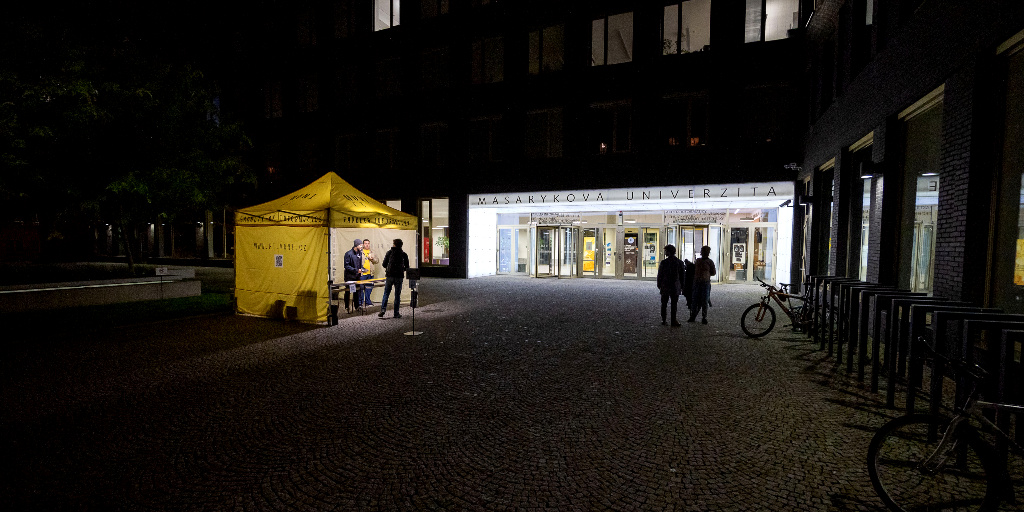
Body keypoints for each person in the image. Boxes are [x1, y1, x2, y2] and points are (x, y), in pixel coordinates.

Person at [378, 238, 410, 319]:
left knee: (386, 293)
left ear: (394, 244)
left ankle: (383, 309)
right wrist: (402, 269)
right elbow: (407, 267)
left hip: (389, 275)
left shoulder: (389, 253)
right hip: (399, 276)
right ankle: (396, 313)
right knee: (397, 295)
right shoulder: (404, 254)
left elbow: (384, 264)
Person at [656, 244, 684, 327]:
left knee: (664, 303)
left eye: (666, 251)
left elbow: (660, 274)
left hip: (665, 285)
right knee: (674, 304)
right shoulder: (679, 262)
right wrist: (682, 286)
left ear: (668, 252)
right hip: (675, 286)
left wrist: (659, 284)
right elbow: (682, 276)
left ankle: (664, 320)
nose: (665, 252)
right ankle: (673, 320)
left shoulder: (664, 262)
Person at [688, 245, 717, 324]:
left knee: (699, 300)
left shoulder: (699, 261)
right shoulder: (707, 261)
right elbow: (713, 272)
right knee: (701, 300)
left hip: (701, 282)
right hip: (702, 282)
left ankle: (695, 316)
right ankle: (701, 317)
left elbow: (713, 272)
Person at [343, 239, 363, 313]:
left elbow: (359, 264)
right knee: (348, 291)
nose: (362, 246)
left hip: (357, 276)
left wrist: (361, 270)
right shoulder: (348, 254)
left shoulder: (360, 253)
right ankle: (346, 307)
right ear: (356, 245)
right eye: (360, 245)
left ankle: (357, 306)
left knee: (357, 291)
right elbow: (346, 266)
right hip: (349, 277)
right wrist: (356, 270)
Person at [360, 239, 379, 307]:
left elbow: (377, 261)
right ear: (363, 244)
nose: (367, 245)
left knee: (369, 288)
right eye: (365, 243)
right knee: (361, 289)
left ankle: (368, 301)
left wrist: (372, 259)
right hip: (362, 274)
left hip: (370, 273)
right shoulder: (360, 252)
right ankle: (361, 303)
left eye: (368, 243)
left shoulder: (372, 252)